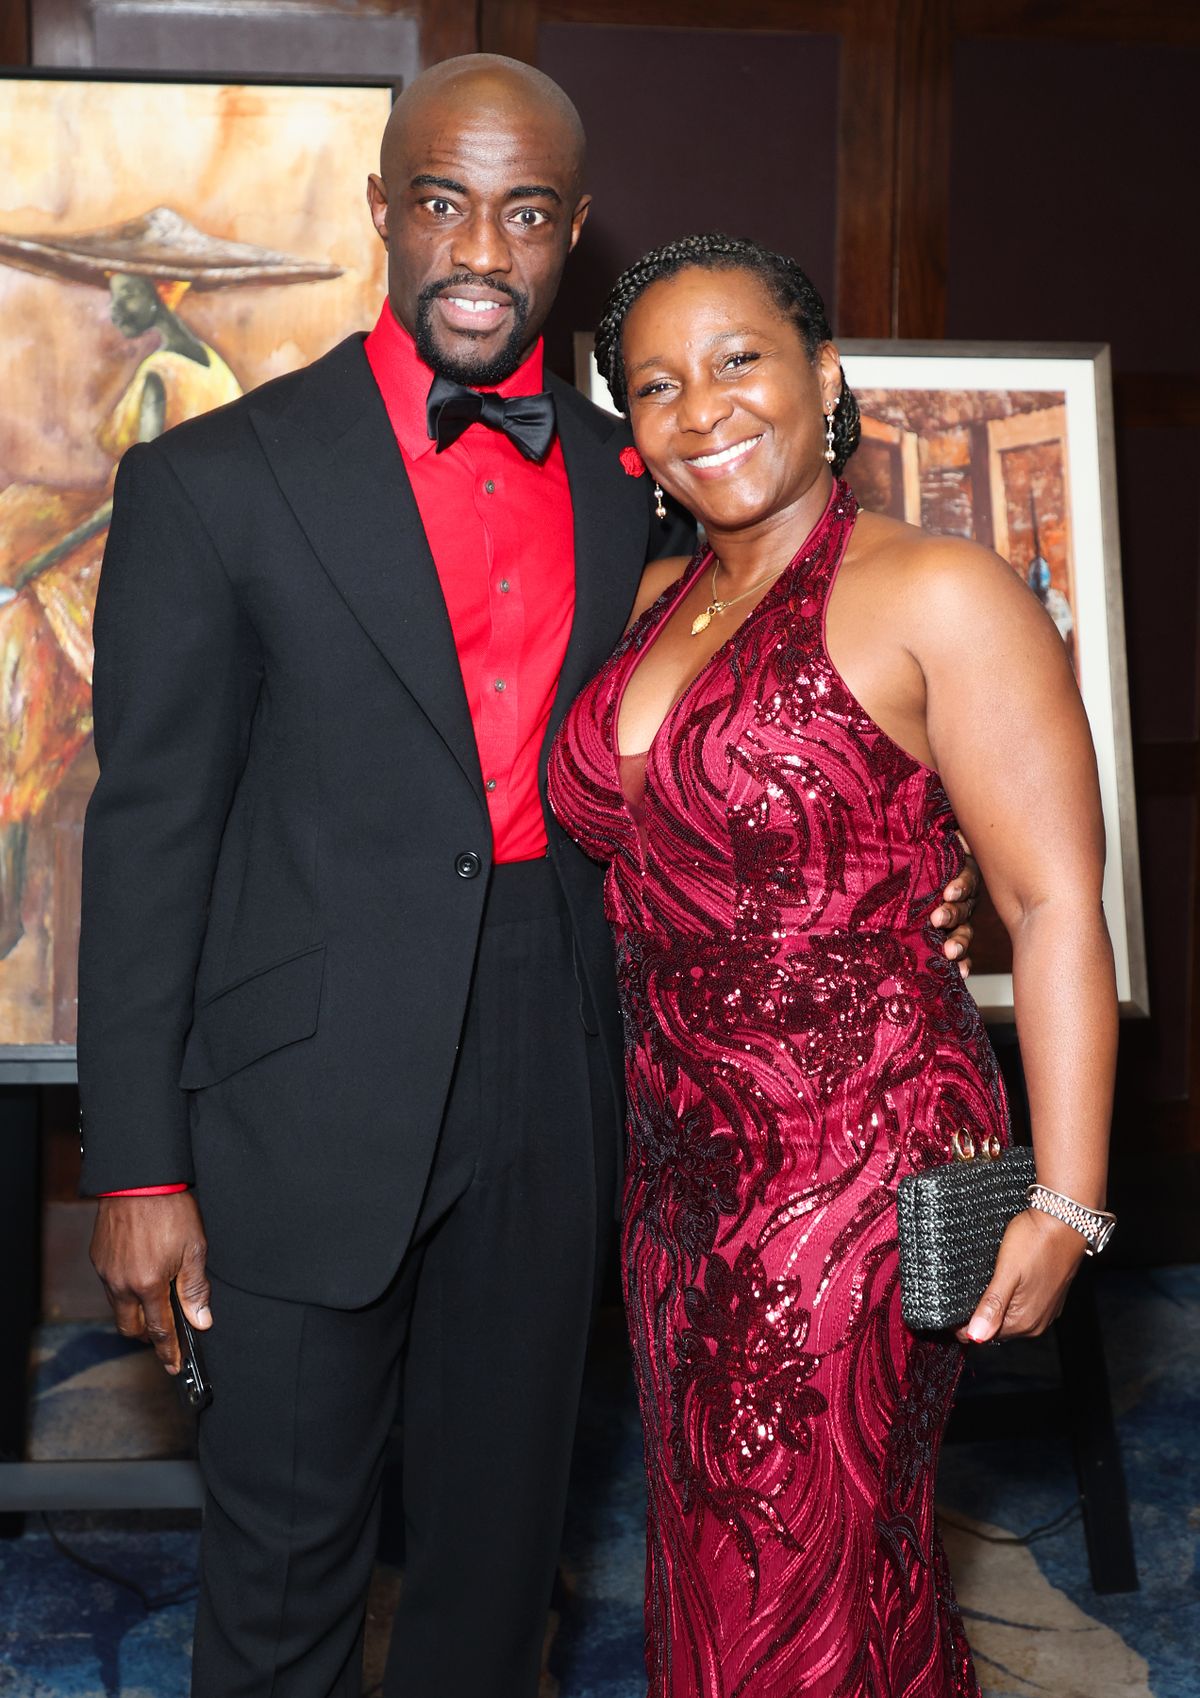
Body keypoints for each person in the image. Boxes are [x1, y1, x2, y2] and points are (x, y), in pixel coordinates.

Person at [77, 63, 975, 1698]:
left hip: (560, 1070)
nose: (480, 245)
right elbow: (145, 843)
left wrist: (928, 869)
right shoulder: (212, 484)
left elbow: (795, 699)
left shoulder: (631, 471)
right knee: (281, 1570)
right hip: (302, 1092)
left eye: (526, 210)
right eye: (441, 201)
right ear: (381, 212)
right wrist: (137, 1161)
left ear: (568, 232)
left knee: (499, 1574)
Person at [548, 234, 1117, 1697]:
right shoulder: (643, 609)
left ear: (827, 376)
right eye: (658, 384)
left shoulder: (939, 591)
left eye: (740, 359)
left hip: (852, 1167)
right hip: (679, 1175)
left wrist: (1067, 1197)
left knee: (789, 1580)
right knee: (739, 1563)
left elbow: (1053, 905)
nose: (703, 406)